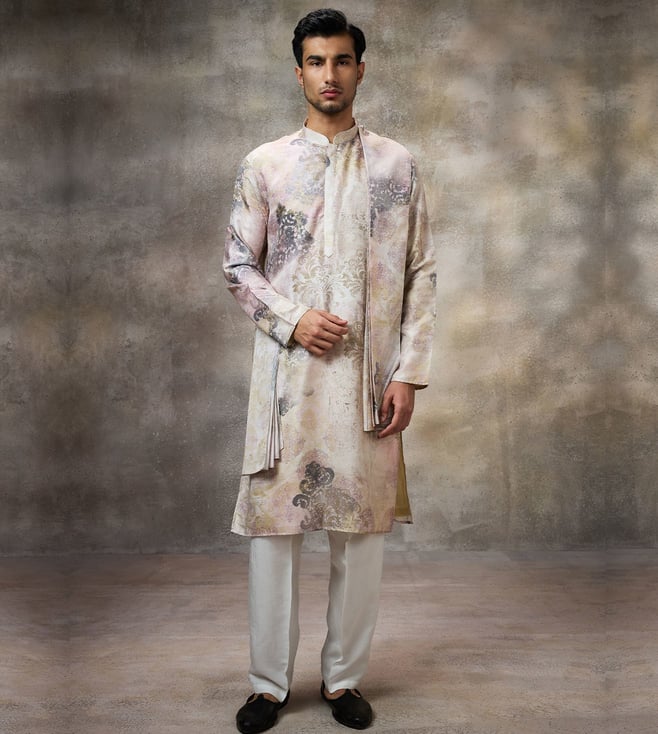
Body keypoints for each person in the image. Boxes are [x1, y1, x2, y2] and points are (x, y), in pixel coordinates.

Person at [224, 8, 436, 732]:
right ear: (299, 73)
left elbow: (421, 271)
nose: (330, 74)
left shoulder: (397, 165)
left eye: (342, 60)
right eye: (316, 61)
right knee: (274, 535)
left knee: (361, 534)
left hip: (369, 379)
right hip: (286, 381)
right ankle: (268, 687)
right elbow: (238, 267)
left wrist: (409, 372)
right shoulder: (265, 164)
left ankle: (344, 682)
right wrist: (292, 319)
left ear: (360, 70)